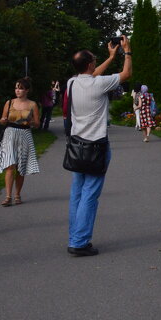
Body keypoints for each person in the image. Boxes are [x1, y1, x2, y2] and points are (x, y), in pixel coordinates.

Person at [65, 36, 131, 256]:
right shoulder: (99, 84)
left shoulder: (71, 83)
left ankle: (75, 236)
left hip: (77, 146)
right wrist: (126, 52)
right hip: (96, 147)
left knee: (77, 193)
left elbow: (90, 76)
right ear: (90, 65)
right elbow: (126, 74)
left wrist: (111, 57)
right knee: (90, 195)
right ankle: (80, 242)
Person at [0, 77, 41, 206]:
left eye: (21, 88)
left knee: (20, 166)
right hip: (10, 134)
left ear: (27, 90)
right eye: (16, 88)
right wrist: (3, 120)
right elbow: (3, 119)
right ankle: (8, 196)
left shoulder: (32, 104)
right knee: (9, 165)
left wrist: (30, 122)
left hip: (24, 134)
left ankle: (17, 194)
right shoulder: (9, 103)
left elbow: (37, 124)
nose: (17, 90)